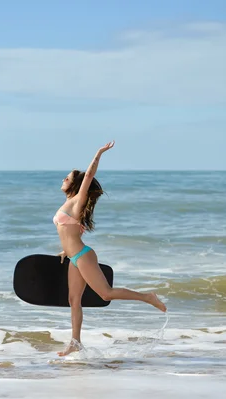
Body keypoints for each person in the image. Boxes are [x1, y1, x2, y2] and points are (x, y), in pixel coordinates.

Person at [53, 140, 167, 356]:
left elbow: (88, 176)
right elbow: (69, 233)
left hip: (83, 256)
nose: (63, 179)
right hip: (73, 257)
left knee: (105, 294)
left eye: (66, 178)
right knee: (73, 300)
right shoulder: (69, 203)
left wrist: (99, 153)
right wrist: (64, 251)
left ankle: (147, 297)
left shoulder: (78, 200)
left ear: (75, 184)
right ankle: (75, 343)